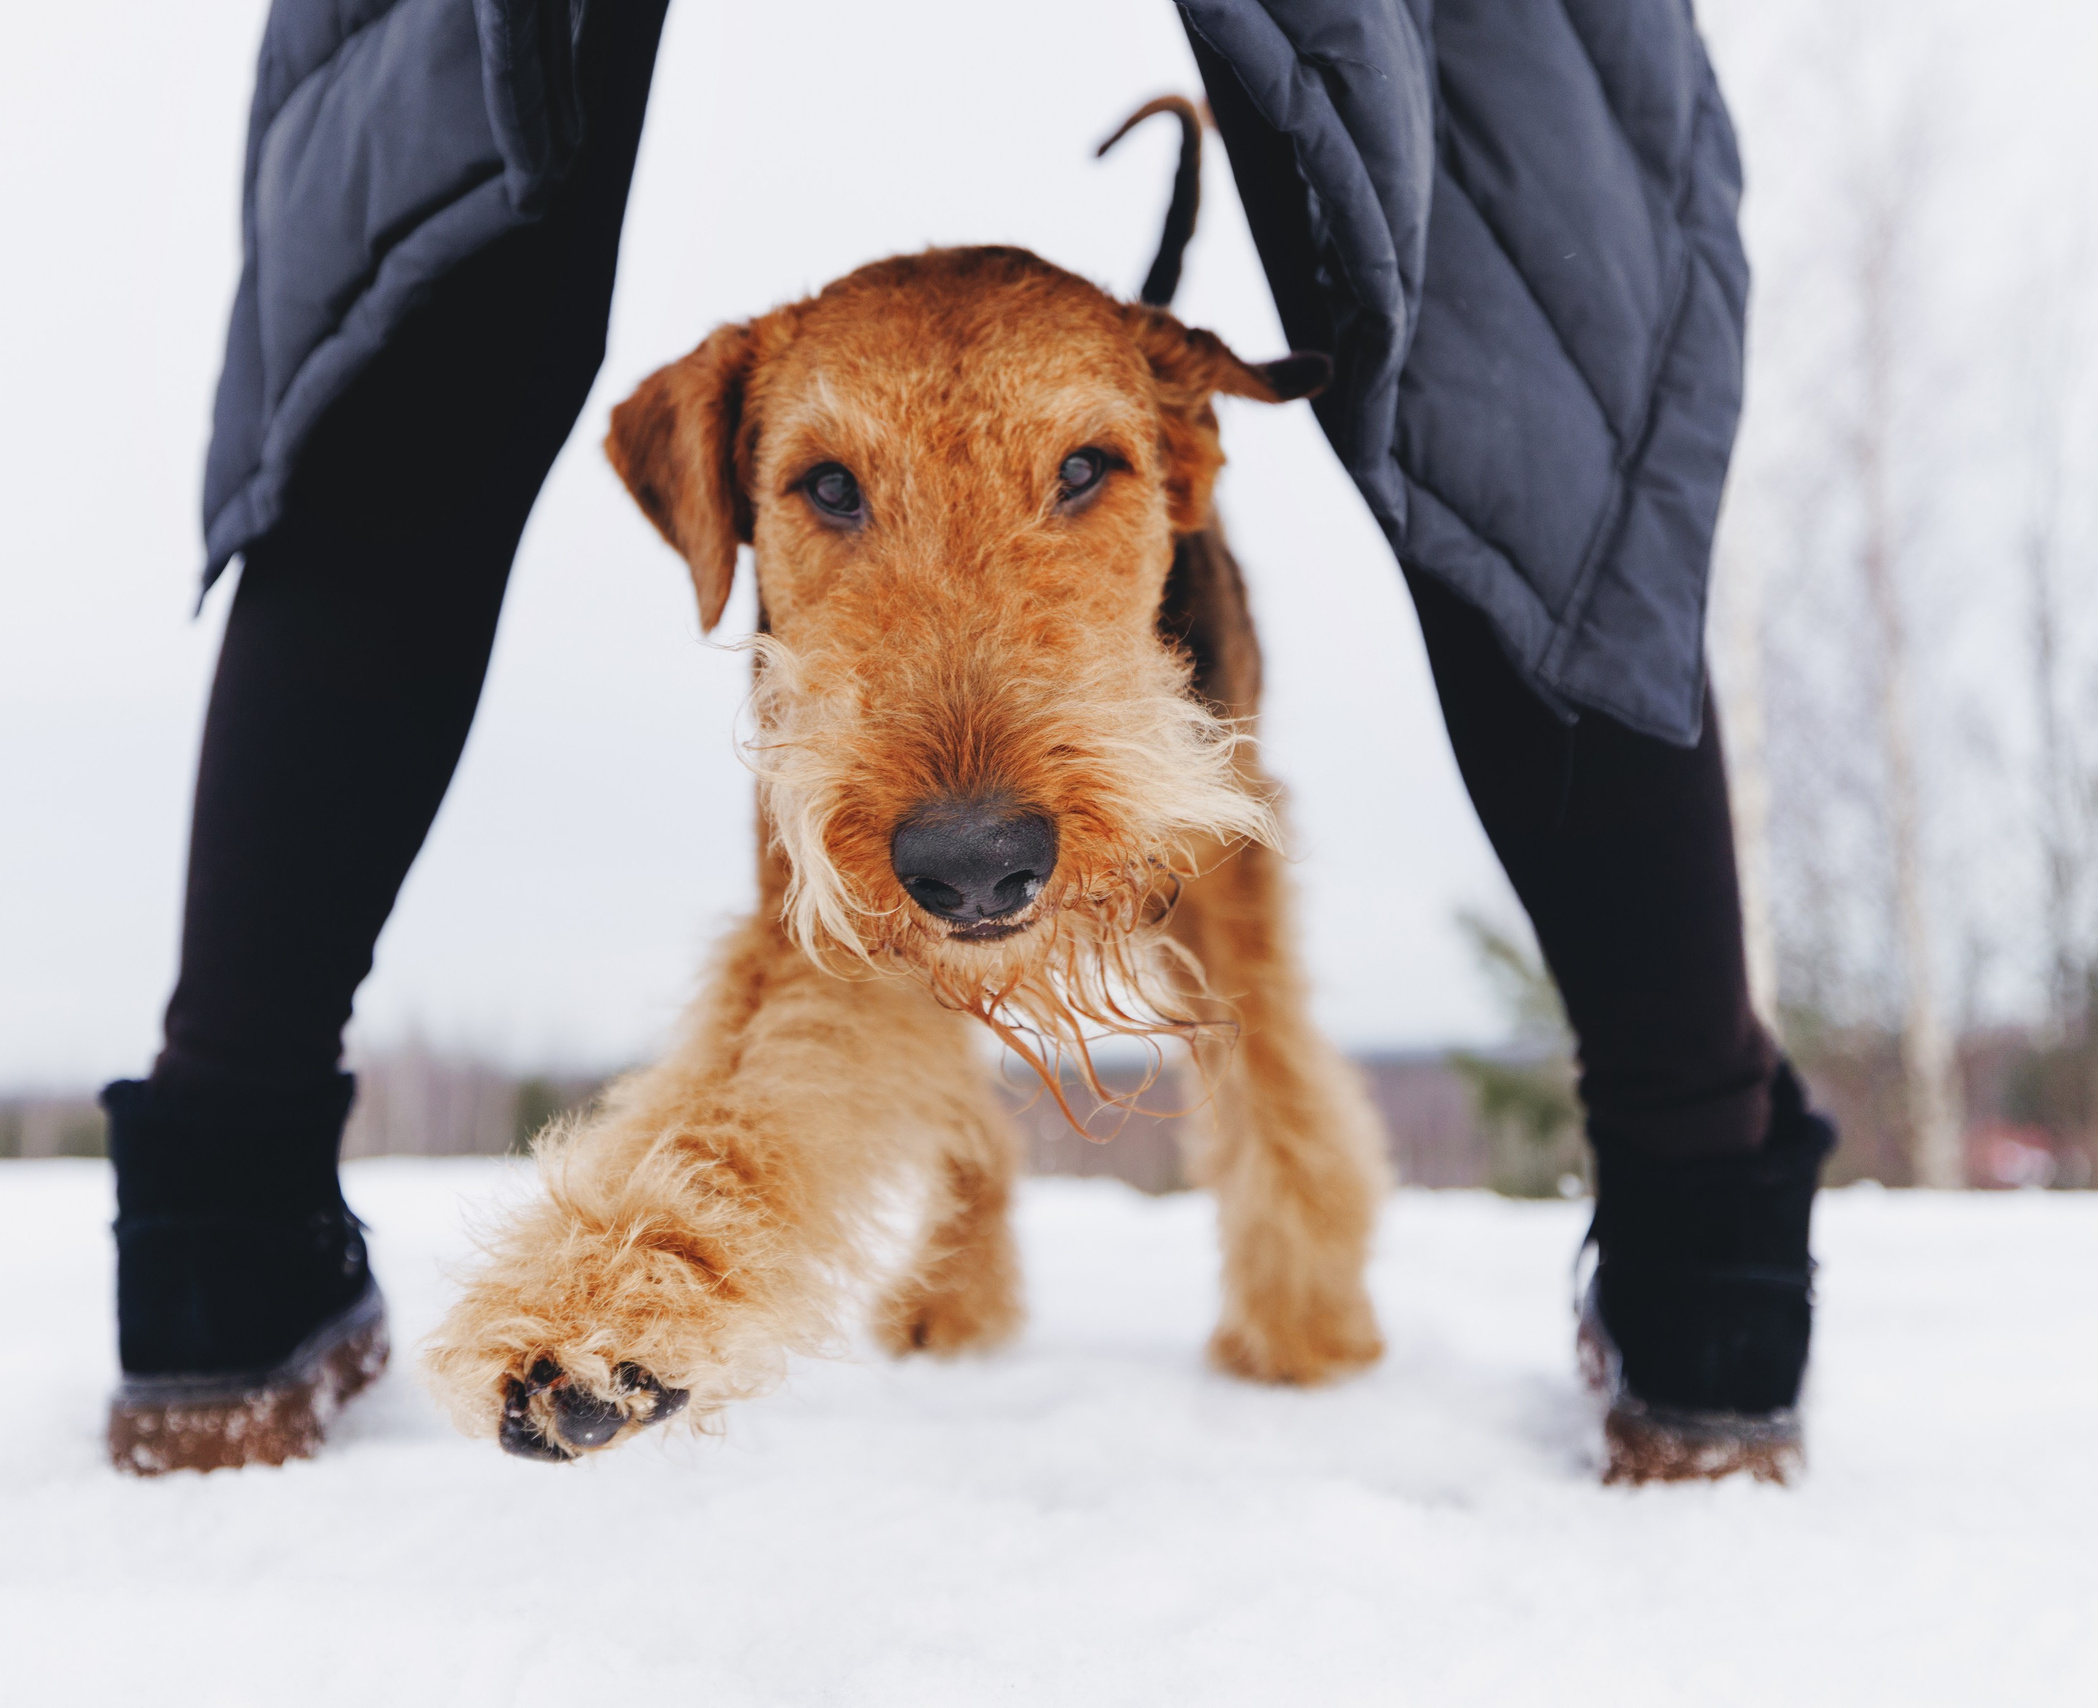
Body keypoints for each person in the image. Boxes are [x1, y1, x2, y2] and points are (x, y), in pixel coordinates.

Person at [101, 0, 1835, 1480]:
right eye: (826, 494)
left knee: (435, 228)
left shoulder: (1179, 510)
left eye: (1088, 474)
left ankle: (228, 1243)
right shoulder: (726, 450)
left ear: (1182, 474)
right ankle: (1705, 1275)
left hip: (1126, 581)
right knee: (1512, 312)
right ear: (726, 506)